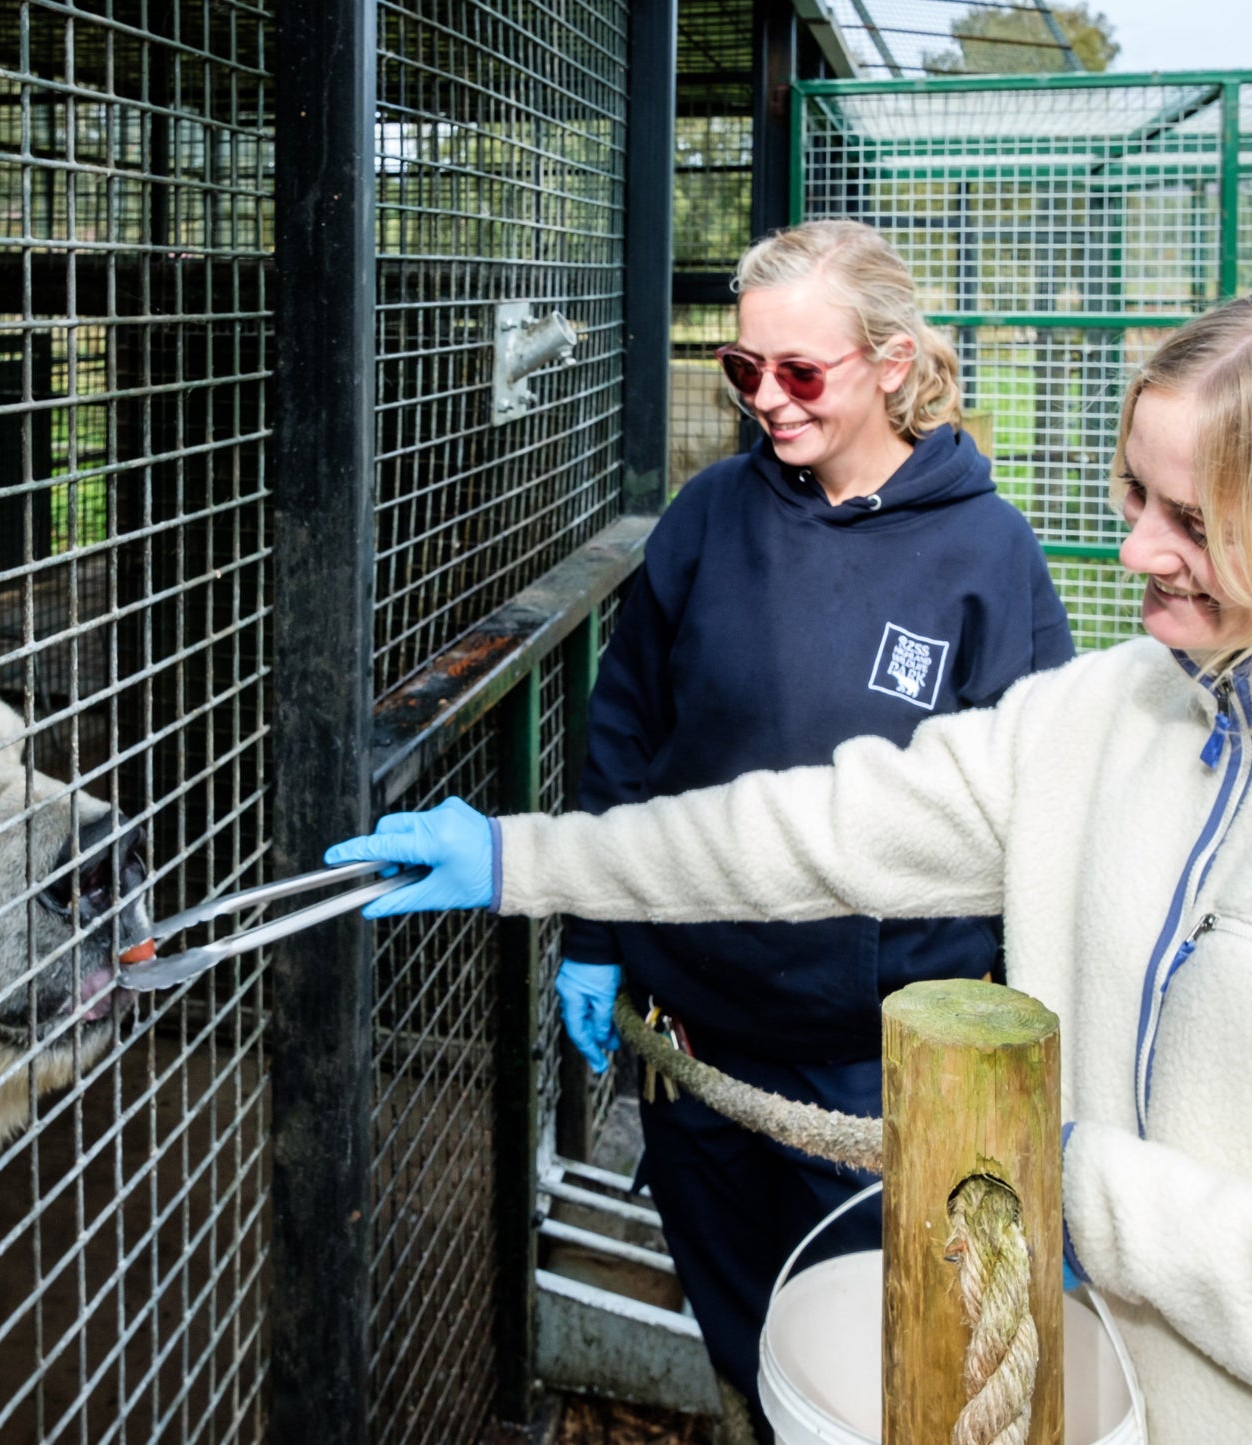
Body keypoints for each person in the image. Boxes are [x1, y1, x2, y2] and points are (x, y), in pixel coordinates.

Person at [325, 296, 1252, 1443]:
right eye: (1130, 494)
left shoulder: (989, 553)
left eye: (1193, 521)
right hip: (1072, 1366)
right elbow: (815, 828)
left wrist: (1077, 1190)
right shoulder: (1104, 715)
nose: (1133, 550)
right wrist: (529, 859)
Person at [545, 219, 1078, 1425]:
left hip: (873, 1075)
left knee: (890, 1361)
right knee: (744, 1339)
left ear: (889, 362)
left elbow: (1039, 808)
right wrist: (593, 930)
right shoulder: (705, 515)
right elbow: (624, 734)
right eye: (741, 370)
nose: (763, 401)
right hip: (695, 1047)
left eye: (798, 372)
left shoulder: (985, 552)